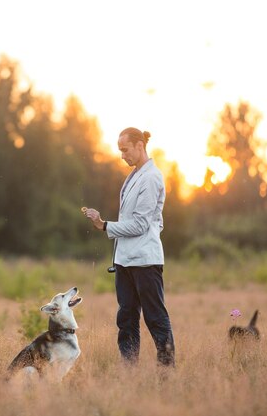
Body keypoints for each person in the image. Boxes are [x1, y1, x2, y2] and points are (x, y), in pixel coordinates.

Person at [83, 127, 175, 367]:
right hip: (124, 261)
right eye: (120, 151)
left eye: (125, 150)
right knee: (126, 319)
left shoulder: (152, 177)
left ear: (140, 146)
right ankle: (129, 371)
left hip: (145, 262)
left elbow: (142, 224)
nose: (122, 155)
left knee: (155, 318)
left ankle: (167, 371)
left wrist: (103, 225)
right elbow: (156, 221)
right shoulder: (134, 175)